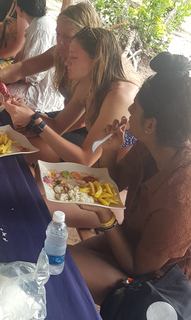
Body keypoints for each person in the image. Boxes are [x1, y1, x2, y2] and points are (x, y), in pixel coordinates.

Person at [69, 52, 191, 304]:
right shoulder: (149, 146)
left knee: (59, 269)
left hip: (155, 285)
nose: (129, 110)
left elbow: (138, 266)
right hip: (130, 243)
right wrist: (111, 151)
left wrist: (104, 215)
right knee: (55, 257)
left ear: (151, 125)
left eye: (135, 107)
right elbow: (114, 185)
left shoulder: (179, 196)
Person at [4, 27, 138, 167]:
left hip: (111, 175)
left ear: (97, 60)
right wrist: (26, 110)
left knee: (21, 147)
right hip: (95, 161)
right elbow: (57, 125)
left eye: (74, 57)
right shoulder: (89, 84)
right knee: (15, 139)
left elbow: (85, 160)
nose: (66, 62)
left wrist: (34, 120)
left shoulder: (119, 96)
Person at [0, 2, 100, 117]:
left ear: (85, 39)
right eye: (57, 35)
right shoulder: (58, 52)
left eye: (67, 37)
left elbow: (76, 124)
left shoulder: (91, 72)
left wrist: (35, 122)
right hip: (62, 120)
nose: (60, 42)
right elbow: (22, 68)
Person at [0, 0, 63, 113]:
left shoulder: (40, 28)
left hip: (41, 91)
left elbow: (34, 76)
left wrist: (4, 78)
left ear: (19, 10)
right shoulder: (40, 23)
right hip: (33, 82)